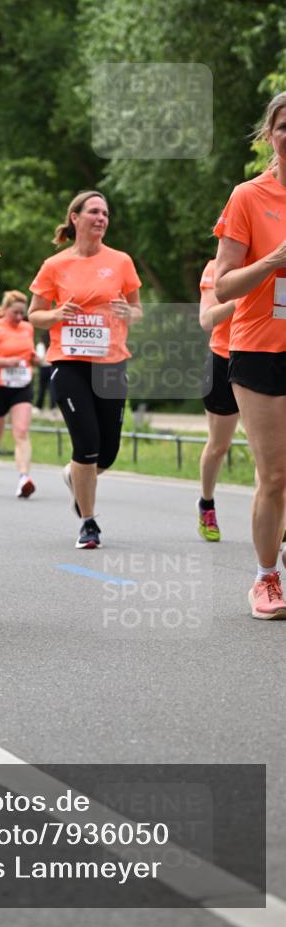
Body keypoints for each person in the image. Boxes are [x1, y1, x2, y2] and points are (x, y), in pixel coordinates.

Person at [28, 190, 142, 549]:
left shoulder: (121, 261)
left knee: (107, 453)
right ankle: (89, 523)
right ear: (75, 218)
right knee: (87, 445)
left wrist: (129, 313)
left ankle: (74, 476)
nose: (101, 218)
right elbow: (35, 313)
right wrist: (56, 315)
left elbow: (137, 309)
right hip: (71, 363)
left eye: (105, 213)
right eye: (93, 211)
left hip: (111, 363)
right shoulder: (55, 265)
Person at [214, 90, 286, 620]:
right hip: (261, 347)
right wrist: (274, 262)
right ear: (269, 135)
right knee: (276, 475)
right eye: (284, 125)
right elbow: (222, 286)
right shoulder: (248, 196)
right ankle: (266, 579)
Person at [0, 290, 38, 497]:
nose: (20, 318)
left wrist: (34, 359)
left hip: (22, 385)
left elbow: (27, 353)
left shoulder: (27, 329)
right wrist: (5, 362)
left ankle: (24, 478)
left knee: (21, 432)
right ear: (4, 310)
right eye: (16, 313)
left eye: (23, 313)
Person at [197, 258, 239, 541]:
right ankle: (207, 503)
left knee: (271, 451)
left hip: (268, 358)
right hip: (225, 359)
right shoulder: (218, 267)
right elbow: (206, 320)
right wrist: (241, 301)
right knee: (219, 445)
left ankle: (276, 516)